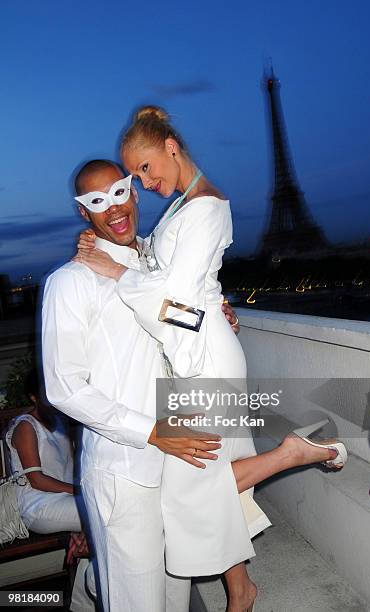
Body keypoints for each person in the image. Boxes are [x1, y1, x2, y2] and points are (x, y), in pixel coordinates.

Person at [75, 106, 347, 612]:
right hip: (193, 350)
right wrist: (103, 246)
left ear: (170, 148)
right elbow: (160, 264)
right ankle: (240, 587)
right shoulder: (182, 207)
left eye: (145, 168)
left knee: (188, 482)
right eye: (135, 175)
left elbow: (176, 301)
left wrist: (115, 275)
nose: (143, 182)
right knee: (203, 470)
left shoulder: (208, 208)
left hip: (204, 356)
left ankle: (293, 452)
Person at [42, 160, 236, 612]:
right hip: (123, 471)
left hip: (175, 464)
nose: (112, 208)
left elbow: (174, 321)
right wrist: (151, 431)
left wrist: (218, 325)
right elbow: (64, 387)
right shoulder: (70, 283)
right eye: (96, 201)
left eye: (118, 192)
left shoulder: (153, 267)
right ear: (83, 213)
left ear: (134, 193)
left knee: (174, 597)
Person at [5, 368, 95, 612]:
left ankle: (81, 605)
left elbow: (78, 467)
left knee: (96, 525)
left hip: (67, 501)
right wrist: (80, 493)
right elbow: (37, 480)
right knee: (100, 514)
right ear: (33, 396)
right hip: (38, 506)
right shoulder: (25, 426)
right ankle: (89, 598)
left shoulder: (61, 423)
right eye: (47, 392)